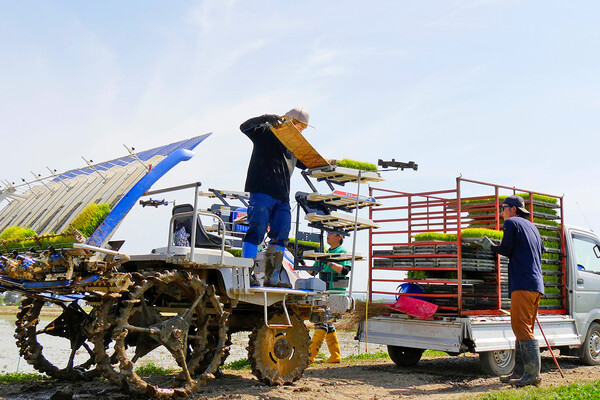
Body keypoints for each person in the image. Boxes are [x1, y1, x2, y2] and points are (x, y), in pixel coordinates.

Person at [240, 107, 310, 288]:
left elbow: (309, 162)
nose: (301, 130)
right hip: (261, 191)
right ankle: (246, 275)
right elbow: (244, 127)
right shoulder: (266, 132)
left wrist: (329, 165)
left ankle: (272, 278)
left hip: (282, 197)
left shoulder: (294, 146)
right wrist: (264, 118)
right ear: (288, 120)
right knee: (257, 230)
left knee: (281, 235)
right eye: (299, 125)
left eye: (303, 128)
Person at [481, 195, 545, 387]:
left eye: (504, 208)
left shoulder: (511, 223)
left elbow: (507, 249)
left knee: (521, 328)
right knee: (524, 328)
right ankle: (519, 372)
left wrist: (491, 247)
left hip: (523, 284)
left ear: (513, 209)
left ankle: (532, 375)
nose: (502, 212)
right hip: (536, 285)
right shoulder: (533, 227)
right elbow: (542, 249)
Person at [309, 231, 352, 364]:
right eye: (327, 232)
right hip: (324, 291)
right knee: (328, 323)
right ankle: (335, 355)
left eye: (331, 233)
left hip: (335, 293)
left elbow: (345, 270)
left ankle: (310, 355)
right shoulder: (326, 253)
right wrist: (299, 261)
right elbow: (312, 271)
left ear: (340, 236)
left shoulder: (342, 252)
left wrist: (328, 262)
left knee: (321, 322)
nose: (327, 235)